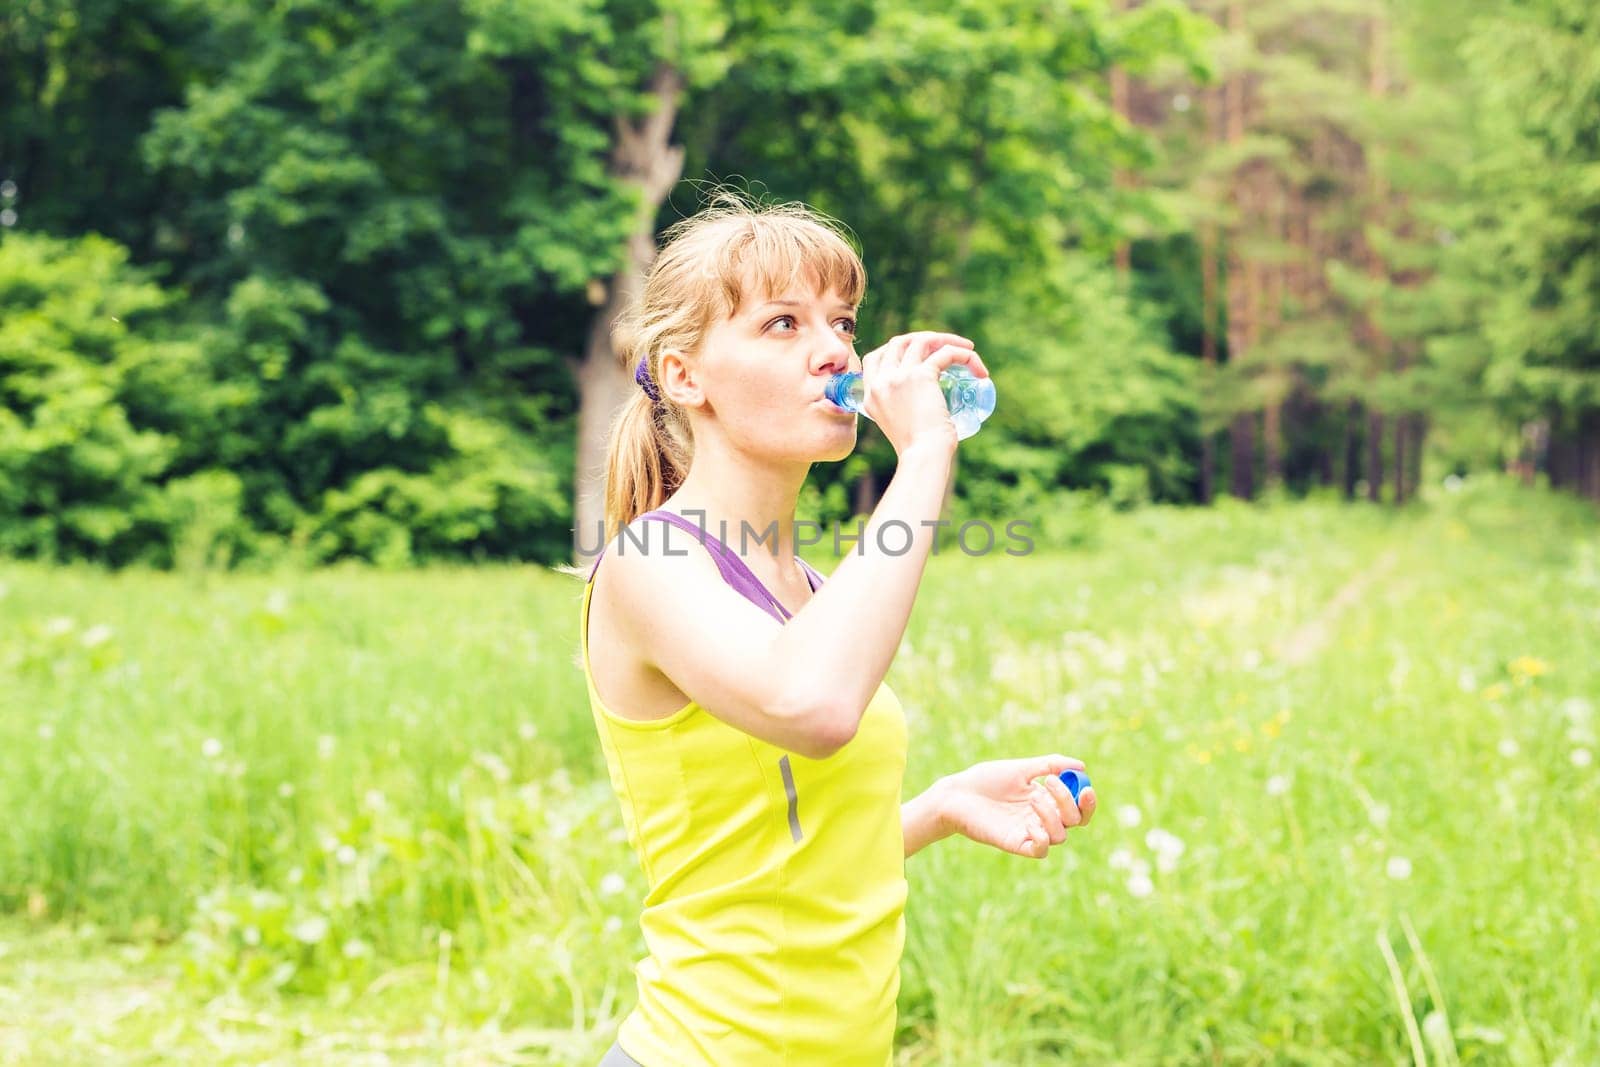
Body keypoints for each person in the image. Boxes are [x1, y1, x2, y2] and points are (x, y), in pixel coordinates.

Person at [577, 194, 1096, 1067]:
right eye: (783, 323)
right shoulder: (649, 562)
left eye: (842, 321)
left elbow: (770, 867)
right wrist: (927, 453)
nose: (835, 351)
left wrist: (937, 808)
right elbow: (813, 706)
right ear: (683, 376)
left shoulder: (810, 591)